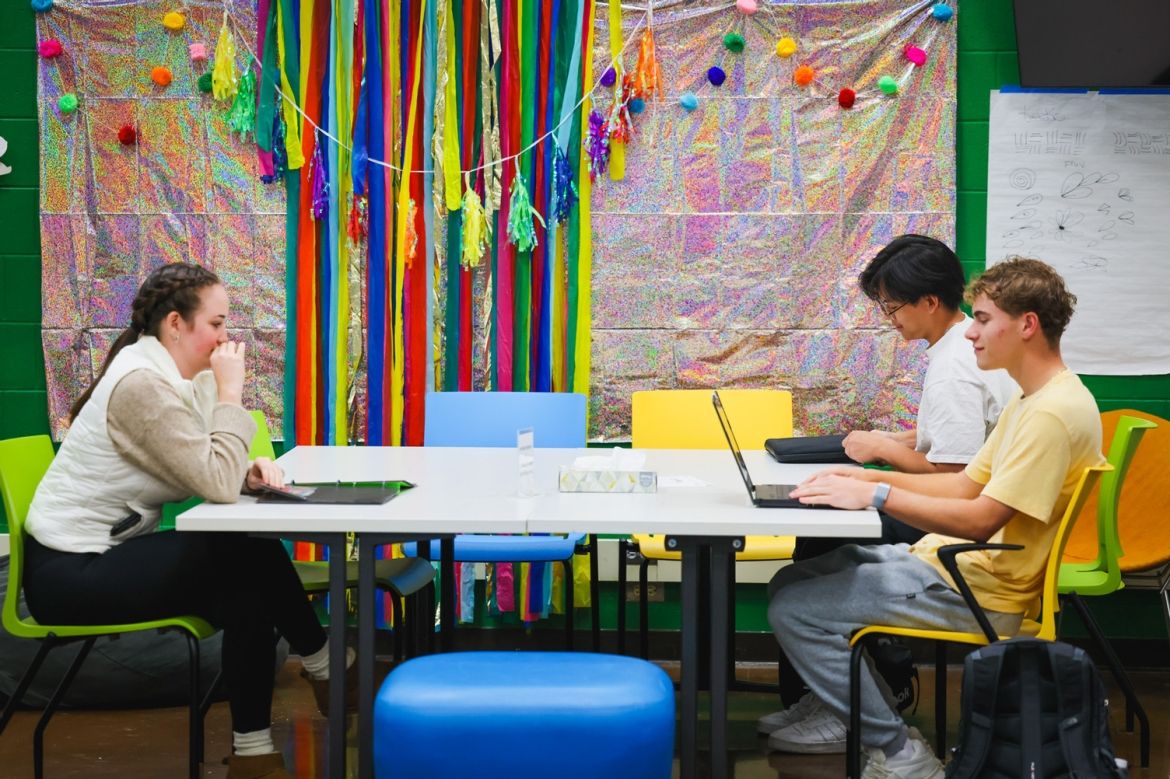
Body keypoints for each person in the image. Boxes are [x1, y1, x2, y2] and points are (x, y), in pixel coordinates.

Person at [766, 258, 1102, 778]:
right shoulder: (1035, 399)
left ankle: (900, 753)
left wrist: (878, 495)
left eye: (985, 319)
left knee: (794, 607)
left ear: (1028, 324)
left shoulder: (1053, 414)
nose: (970, 331)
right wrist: (863, 481)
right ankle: (855, 712)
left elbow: (978, 521)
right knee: (791, 579)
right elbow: (965, 483)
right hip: (955, 566)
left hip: (983, 589)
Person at [22, 263, 349, 779]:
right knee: (241, 547)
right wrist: (231, 395)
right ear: (176, 324)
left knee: (246, 588)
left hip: (106, 558)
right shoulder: (141, 386)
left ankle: (255, 751)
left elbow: (204, 468)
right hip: (69, 574)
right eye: (216, 324)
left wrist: (248, 473)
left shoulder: (172, 379)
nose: (226, 338)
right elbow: (210, 481)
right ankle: (329, 668)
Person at [766, 235, 1019, 740]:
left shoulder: (955, 365)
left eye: (893, 305)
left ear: (930, 301)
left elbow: (953, 475)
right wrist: (888, 441)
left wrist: (876, 467)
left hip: (970, 534)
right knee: (812, 549)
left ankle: (850, 702)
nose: (888, 317)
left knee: (822, 540)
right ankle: (842, 695)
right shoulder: (961, 347)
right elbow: (949, 443)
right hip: (980, 513)